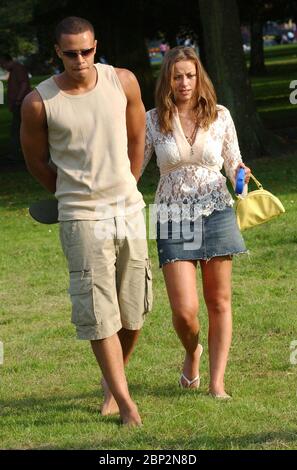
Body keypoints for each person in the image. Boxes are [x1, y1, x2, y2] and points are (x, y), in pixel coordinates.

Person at [20, 16, 152, 426]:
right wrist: (70, 192)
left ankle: (112, 382)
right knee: (98, 313)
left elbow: (137, 139)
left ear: (96, 46)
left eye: (87, 51)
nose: (81, 59)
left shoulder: (123, 81)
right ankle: (126, 404)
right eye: (71, 53)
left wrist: (127, 182)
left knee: (134, 313)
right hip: (80, 218)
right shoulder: (39, 102)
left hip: (129, 211)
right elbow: (36, 161)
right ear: (57, 53)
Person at [142, 46, 251, 399]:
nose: (184, 82)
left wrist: (240, 178)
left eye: (190, 75)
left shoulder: (220, 115)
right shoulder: (152, 119)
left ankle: (217, 383)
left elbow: (234, 163)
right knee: (184, 310)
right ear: (167, 81)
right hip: (172, 215)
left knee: (219, 301)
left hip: (217, 209)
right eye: (177, 76)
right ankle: (192, 351)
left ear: (198, 77)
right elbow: (133, 168)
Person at [0, 54, 31, 161]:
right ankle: (19, 152)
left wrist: (18, 100)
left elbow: (24, 84)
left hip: (21, 103)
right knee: (17, 129)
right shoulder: (13, 71)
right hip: (17, 104)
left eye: (2, 64)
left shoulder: (18, 68)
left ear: (6, 61)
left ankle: (18, 154)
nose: (2, 67)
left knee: (17, 129)